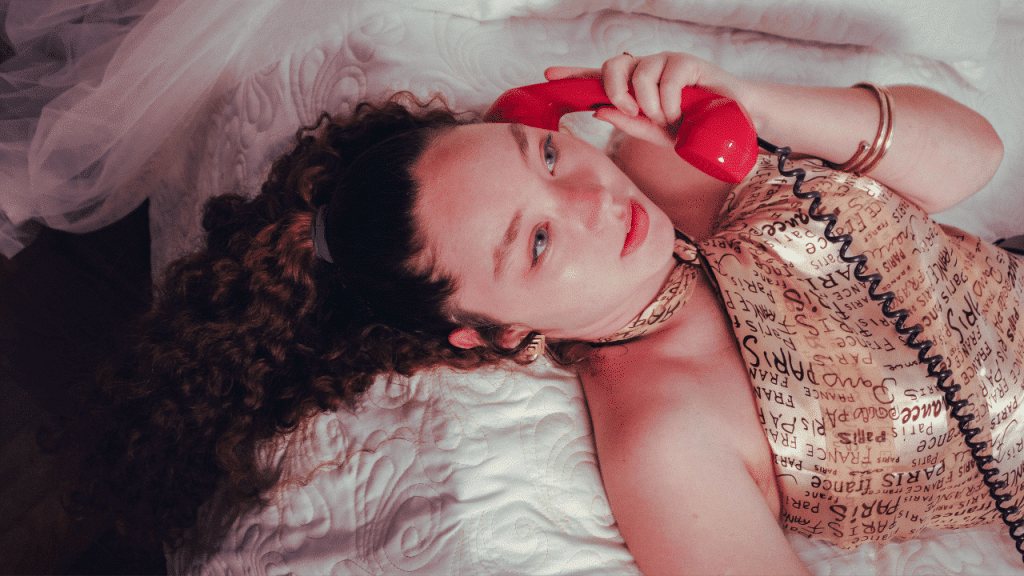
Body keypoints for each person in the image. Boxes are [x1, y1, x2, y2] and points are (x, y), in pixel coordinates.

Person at [83, 51, 1020, 574]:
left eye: (547, 156)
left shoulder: (660, 162)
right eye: (533, 243)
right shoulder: (663, 447)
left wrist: (749, 99)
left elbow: (973, 156)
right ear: (492, 335)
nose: (589, 201)